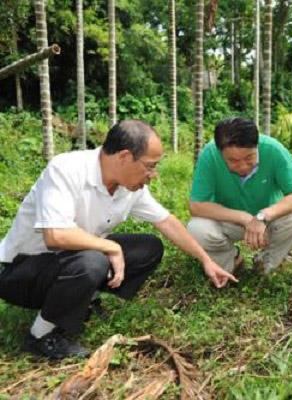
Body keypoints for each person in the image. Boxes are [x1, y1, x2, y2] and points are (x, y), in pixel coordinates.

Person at [0, 120, 237, 360]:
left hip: (70, 262)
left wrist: (206, 260)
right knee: (93, 260)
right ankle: (40, 337)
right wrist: (110, 247)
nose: (152, 175)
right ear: (124, 156)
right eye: (150, 166)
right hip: (21, 272)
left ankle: (83, 300)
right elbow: (55, 235)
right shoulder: (66, 169)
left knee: (148, 247)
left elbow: (167, 222)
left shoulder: (129, 188)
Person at [187, 117, 292, 275]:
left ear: (257, 146)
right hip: (229, 221)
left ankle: (267, 265)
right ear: (220, 151)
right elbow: (197, 206)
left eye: (249, 158)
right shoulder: (210, 154)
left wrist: (263, 216)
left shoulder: (273, 149)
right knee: (197, 229)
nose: (242, 166)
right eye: (233, 161)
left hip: (270, 222)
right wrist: (245, 218)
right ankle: (231, 263)